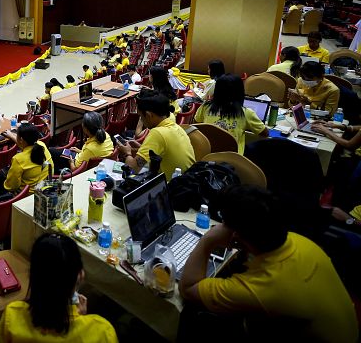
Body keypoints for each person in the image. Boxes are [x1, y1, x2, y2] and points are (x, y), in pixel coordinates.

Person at [179, 185, 358, 342]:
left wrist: (207, 240)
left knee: (192, 317)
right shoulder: (298, 241)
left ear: (236, 235)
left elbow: (188, 288)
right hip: (342, 332)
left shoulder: (262, 287)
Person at [0, 233, 117, 343]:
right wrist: (81, 319)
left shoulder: (12, 316)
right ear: (79, 276)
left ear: (33, 275)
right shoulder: (102, 331)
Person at [116, 90, 195, 180]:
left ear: (149, 115)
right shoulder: (175, 126)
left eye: (141, 116)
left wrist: (127, 153)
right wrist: (141, 148)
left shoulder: (157, 133)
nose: (142, 120)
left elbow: (133, 170)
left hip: (173, 189)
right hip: (187, 182)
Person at [194, 74, 268, 154]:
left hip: (206, 154)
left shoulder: (205, 107)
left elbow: (197, 125)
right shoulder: (246, 113)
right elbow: (265, 133)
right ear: (240, 92)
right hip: (232, 160)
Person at [0, 124, 53, 200]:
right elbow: (25, 146)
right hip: (44, 188)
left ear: (21, 139)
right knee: (7, 171)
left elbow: (11, 186)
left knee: (4, 173)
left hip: (26, 195)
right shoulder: (41, 145)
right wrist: (11, 135)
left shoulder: (18, 159)